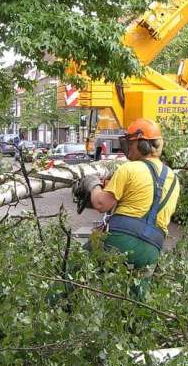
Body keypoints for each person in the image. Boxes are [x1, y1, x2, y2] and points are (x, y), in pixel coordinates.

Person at [73, 118, 180, 285]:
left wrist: (93, 185)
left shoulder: (130, 168)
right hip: (151, 248)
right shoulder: (173, 179)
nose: (127, 147)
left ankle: (55, 304)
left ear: (142, 144)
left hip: (120, 240)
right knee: (135, 300)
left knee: (74, 272)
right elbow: (145, 206)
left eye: (130, 143)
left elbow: (102, 204)